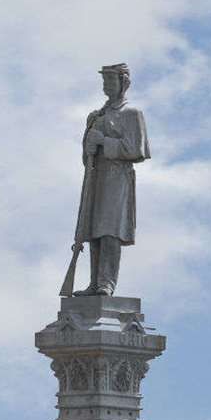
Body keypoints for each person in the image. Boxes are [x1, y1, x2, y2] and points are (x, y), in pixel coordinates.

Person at [71, 62, 148, 296]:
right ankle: (94, 283)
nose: (106, 85)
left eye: (111, 80)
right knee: (92, 230)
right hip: (97, 176)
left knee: (110, 230)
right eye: (104, 81)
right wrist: (89, 145)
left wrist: (103, 141)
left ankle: (107, 282)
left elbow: (135, 150)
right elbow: (87, 155)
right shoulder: (96, 116)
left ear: (123, 83)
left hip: (118, 177)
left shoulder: (131, 114)